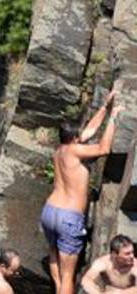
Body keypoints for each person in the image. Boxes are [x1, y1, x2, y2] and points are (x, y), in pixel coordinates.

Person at [41, 89, 120, 294]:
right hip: (69, 217)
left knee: (54, 253)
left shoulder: (60, 151)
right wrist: (113, 118)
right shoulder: (76, 151)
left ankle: (58, 288)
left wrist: (105, 106)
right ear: (75, 138)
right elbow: (103, 148)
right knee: (69, 275)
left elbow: (89, 130)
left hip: (50, 212)